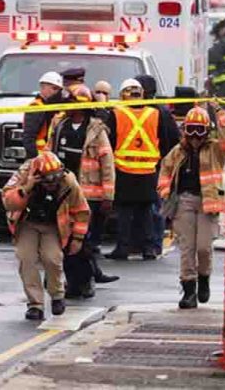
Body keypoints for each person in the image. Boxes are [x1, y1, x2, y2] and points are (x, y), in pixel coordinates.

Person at [157, 105, 225, 309]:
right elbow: (164, 173)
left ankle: (204, 278)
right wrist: (165, 192)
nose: (194, 136)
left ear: (207, 131)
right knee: (187, 248)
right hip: (184, 202)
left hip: (208, 204)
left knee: (203, 247)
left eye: (199, 130)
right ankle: (189, 290)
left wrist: (220, 112)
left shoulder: (216, 150)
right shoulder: (178, 151)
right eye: (190, 129)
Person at [47, 85, 118, 297]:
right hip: (63, 195)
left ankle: (85, 283)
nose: (67, 108)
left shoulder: (96, 131)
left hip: (90, 197)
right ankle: (71, 282)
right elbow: (50, 156)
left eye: (71, 104)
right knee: (64, 240)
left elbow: (107, 164)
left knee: (84, 242)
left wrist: (108, 196)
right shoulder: (60, 127)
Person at [2, 151, 90, 320]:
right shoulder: (23, 175)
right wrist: (26, 188)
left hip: (53, 225)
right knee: (26, 259)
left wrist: (78, 238)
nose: (52, 183)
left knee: (52, 259)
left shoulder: (68, 182)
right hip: (27, 223)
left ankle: (57, 295)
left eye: (55, 178)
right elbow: (8, 203)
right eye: (47, 179)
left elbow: (81, 211)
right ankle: (35, 304)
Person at [105, 79, 169, 261]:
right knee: (146, 211)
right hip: (148, 170)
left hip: (123, 169)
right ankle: (148, 248)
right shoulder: (155, 114)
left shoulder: (116, 114)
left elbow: (109, 143)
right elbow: (163, 141)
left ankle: (123, 248)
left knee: (124, 212)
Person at [135, 74, 180, 256]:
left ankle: (153, 244)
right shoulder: (159, 111)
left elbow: (171, 140)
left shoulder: (157, 113)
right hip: (146, 166)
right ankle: (147, 244)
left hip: (156, 167)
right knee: (147, 208)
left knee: (154, 208)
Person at [23, 71, 64, 158]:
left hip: (49, 156)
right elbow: (29, 137)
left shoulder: (52, 106)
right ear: (43, 87)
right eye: (54, 88)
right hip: (39, 155)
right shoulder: (36, 106)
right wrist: (34, 158)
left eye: (59, 90)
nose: (57, 92)